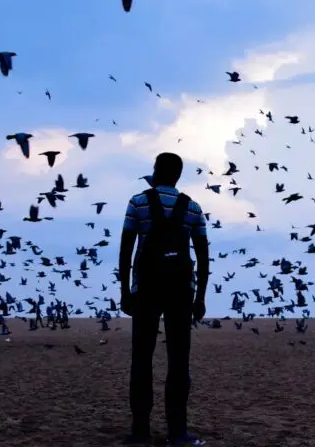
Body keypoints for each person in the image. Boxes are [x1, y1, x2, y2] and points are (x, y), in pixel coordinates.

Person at [119, 152, 209, 446]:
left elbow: (126, 251)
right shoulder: (193, 208)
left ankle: (140, 431)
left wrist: (125, 292)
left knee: (141, 359)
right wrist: (200, 298)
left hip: (146, 289)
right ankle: (178, 432)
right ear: (179, 176)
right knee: (179, 361)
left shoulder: (138, 203)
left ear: (156, 171)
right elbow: (203, 256)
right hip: (181, 292)